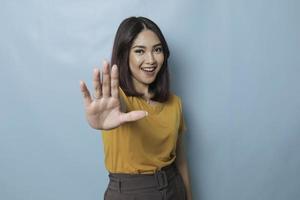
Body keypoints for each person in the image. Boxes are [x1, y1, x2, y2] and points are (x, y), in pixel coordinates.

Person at [79, 16, 192, 200]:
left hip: (173, 187)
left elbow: (181, 162)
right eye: (140, 51)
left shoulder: (174, 103)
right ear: (125, 55)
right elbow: (117, 107)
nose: (151, 60)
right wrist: (101, 117)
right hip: (130, 193)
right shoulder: (116, 99)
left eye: (157, 50)